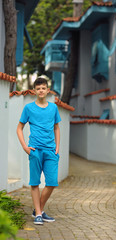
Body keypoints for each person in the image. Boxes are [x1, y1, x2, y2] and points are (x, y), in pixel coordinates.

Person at [17, 77, 61, 225]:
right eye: (38, 88)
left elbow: (56, 127)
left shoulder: (53, 107)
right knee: (35, 183)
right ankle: (38, 214)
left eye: (43, 88)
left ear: (47, 90)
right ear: (34, 91)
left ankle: (38, 211)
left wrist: (57, 147)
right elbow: (19, 128)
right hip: (35, 150)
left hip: (50, 151)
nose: (41, 90)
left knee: (52, 182)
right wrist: (25, 147)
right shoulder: (28, 108)